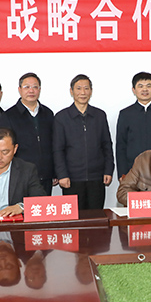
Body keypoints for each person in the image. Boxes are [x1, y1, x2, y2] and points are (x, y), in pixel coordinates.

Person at [53, 74, 114, 210]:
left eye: (86, 88)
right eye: (79, 88)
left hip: (96, 178)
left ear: (91, 91)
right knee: (74, 217)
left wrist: (108, 170)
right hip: (72, 179)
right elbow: (57, 150)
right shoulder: (61, 117)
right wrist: (62, 174)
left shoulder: (99, 115)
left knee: (96, 217)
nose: (83, 92)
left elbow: (107, 145)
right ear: (71, 91)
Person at [4, 73, 57, 195]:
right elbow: (6, 148)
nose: (31, 91)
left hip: (46, 175)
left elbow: (54, 143)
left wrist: (55, 171)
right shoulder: (9, 115)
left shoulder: (48, 113)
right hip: (20, 176)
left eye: (35, 87)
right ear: (19, 89)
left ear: (39, 90)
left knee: (43, 206)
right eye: (27, 87)